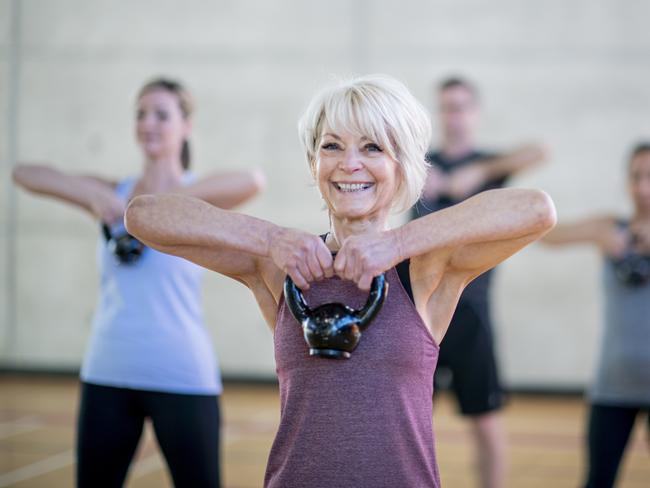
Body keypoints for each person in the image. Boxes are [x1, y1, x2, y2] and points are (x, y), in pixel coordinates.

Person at [124, 74, 556, 488]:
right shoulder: (280, 266)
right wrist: (270, 237)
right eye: (332, 146)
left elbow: (536, 210)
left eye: (372, 147)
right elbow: (143, 215)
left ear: (400, 166)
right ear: (315, 165)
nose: (350, 164)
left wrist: (398, 242)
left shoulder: (425, 270)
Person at [12, 77, 265, 488]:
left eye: (161, 115)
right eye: (141, 114)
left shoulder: (196, 197)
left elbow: (253, 180)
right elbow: (25, 173)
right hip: (107, 373)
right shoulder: (114, 193)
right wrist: (92, 196)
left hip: (183, 374)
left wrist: (158, 206)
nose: (148, 123)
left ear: (186, 126)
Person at [410, 76, 548, 488]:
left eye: (462, 107)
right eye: (447, 108)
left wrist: (477, 172)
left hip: (472, 315)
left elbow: (539, 150)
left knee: (486, 424)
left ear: (475, 113)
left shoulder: (488, 167)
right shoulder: (420, 165)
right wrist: (418, 177)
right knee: (410, 422)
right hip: (418, 314)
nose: (454, 116)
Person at [542, 143, 650, 488]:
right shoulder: (612, 227)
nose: (644, 187)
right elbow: (548, 235)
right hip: (612, 388)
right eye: (637, 177)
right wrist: (600, 234)